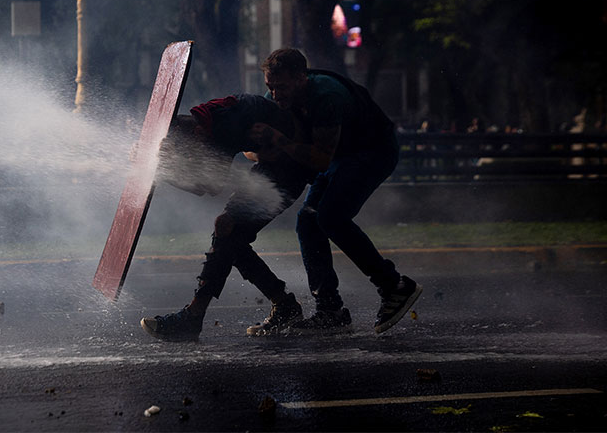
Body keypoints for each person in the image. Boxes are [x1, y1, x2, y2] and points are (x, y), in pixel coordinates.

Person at [251, 48, 422, 334]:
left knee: (331, 217)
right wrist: (259, 146)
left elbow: (319, 159)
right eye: (270, 87)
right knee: (308, 221)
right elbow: (256, 148)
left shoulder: (326, 96)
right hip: (339, 156)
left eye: (282, 87)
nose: (276, 95)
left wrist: (278, 141)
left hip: (372, 150)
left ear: (302, 78)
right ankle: (329, 309)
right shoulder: (277, 100)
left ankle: (394, 286)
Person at [140, 94, 315, 341]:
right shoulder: (204, 117)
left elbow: (208, 187)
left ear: (198, 134)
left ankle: (194, 315)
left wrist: (164, 172)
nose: (193, 154)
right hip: (272, 167)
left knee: (226, 227)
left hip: (290, 171)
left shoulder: (222, 129)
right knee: (230, 236)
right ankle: (283, 303)